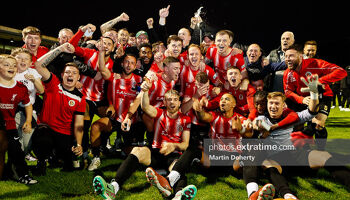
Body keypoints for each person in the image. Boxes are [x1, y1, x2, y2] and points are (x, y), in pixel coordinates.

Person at [145, 92, 253, 199]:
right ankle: (169, 180)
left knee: (249, 156)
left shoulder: (240, 119)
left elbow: (249, 133)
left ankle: (253, 193)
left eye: (227, 99)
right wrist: (199, 110)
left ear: (234, 104)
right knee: (192, 150)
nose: (222, 101)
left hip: (232, 161)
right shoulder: (215, 116)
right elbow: (203, 117)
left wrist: (241, 129)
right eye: (221, 100)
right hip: (214, 159)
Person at [92, 89, 194, 200]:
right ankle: (113, 188)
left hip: (173, 155)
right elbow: (145, 107)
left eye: (175, 100)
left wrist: (173, 145)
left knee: (177, 166)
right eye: (169, 99)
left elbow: (185, 144)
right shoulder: (159, 112)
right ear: (164, 102)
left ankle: (179, 194)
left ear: (180, 103)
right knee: (136, 150)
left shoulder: (185, 119)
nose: (172, 102)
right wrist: (145, 91)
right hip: (155, 152)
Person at [88, 43, 144, 171]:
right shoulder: (114, 77)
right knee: (96, 126)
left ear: (136, 66)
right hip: (114, 118)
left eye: (132, 63)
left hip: (131, 121)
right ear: (122, 64)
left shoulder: (140, 80)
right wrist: (101, 52)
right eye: (126, 62)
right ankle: (96, 157)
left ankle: (125, 149)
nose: (129, 65)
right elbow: (102, 69)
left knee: (130, 152)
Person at [32, 43, 85, 174]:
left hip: (64, 134)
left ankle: (56, 156)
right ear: (62, 75)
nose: (70, 75)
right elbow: (38, 65)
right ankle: (41, 161)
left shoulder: (80, 98)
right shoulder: (53, 84)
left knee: (73, 164)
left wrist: (78, 144)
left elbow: (79, 124)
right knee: (43, 139)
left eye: (74, 73)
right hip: (47, 129)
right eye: (67, 72)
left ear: (78, 77)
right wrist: (60, 49)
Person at [283, 44, 347, 150]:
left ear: (300, 56)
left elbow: (341, 71)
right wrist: (301, 99)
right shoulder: (287, 73)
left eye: (291, 56)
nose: (287, 59)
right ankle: (304, 149)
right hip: (304, 100)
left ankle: (321, 150)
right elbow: (288, 91)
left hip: (322, 97)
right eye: (286, 56)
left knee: (318, 123)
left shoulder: (315, 63)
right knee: (297, 126)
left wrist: (319, 81)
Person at [69, 24, 115, 156]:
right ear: (98, 43)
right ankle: (81, 150)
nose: (105, 45)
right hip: (84, 95)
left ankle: (103, 145)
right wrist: (81, 31)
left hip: (100, 99)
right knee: (83, 123)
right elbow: (72, 47)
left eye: (108, 44)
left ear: (113, 48)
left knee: (111, 120)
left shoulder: (113, 63)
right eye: (103, 42)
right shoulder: (90, 53)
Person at [0, 54, 37, 184]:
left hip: (10, 125)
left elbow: (28, 105)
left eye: (14, 65)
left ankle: (22, 174)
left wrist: (27, 121)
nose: (12, 67)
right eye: (6, 65)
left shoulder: (20, 87)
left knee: (16, 149)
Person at [11, 48, 44, 161]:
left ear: (31, 63)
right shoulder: (10, 72)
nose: (22, 61)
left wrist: (34, 81)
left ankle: (25, 153)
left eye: (26, 59)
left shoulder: (33, 72)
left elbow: (41, 91)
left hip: (30, 110)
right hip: (13, 110)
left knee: (27, 138)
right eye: (19, 58)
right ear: (13, 60)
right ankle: (17, 157)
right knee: (16, 137)